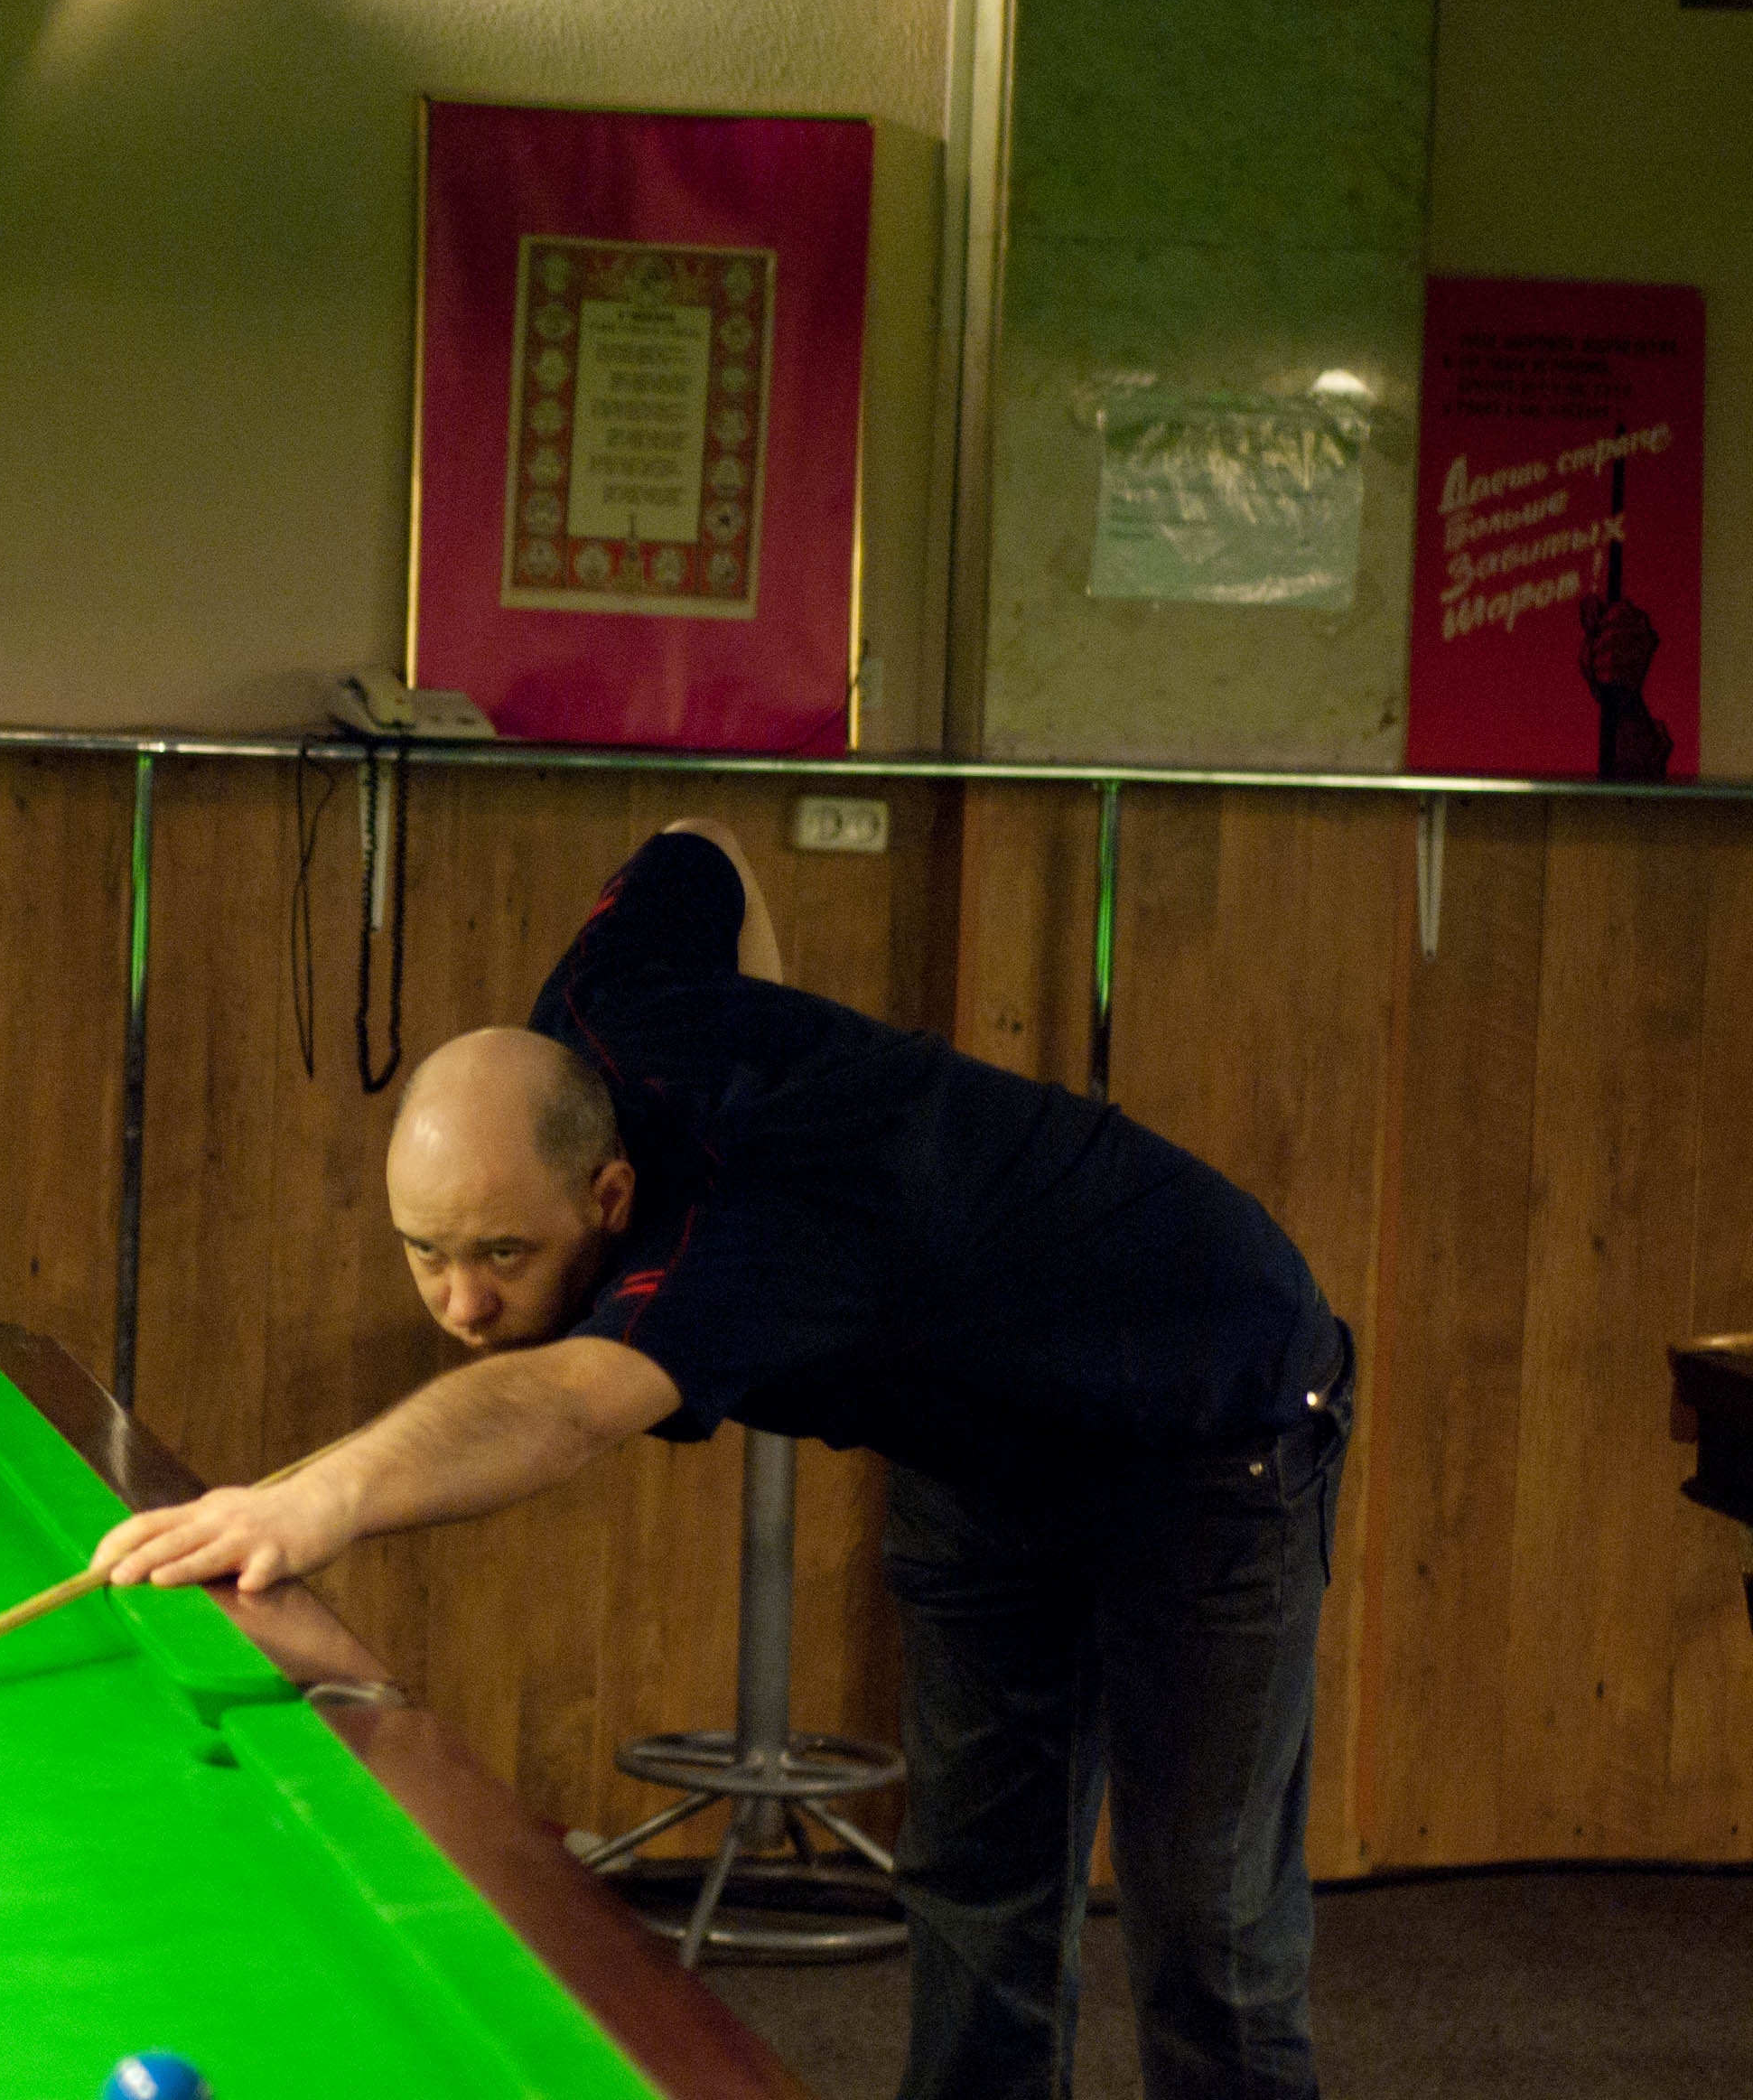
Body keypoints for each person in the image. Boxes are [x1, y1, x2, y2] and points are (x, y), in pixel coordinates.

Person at [92, 817, 1352, 2100]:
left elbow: (569, 1406)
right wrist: (774, 1024)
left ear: (610, 1196)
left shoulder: (758, 1230)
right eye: (428, 1252)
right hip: (978, 1442)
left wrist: (324, 1496)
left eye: (504, 1256)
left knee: (1209, 1927)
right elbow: (702, 846)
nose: (461, 1304)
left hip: (1210, 1418)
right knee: (979, 1892)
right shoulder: (602, 1002)